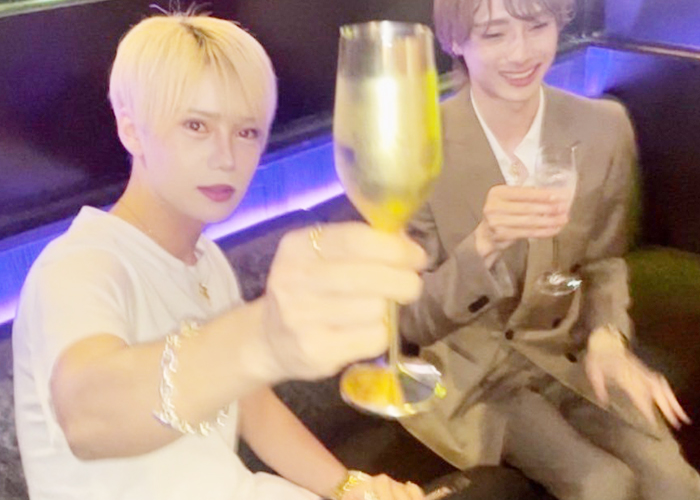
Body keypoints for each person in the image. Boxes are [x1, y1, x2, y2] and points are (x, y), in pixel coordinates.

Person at [12, 12, 428, 500]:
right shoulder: (78, 265)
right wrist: (263, 337)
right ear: (131, 129)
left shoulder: (207, 261)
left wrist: (349, 486)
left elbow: (252, 405)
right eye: (196, 125)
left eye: (247, 132)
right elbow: (88, 414)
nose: (227, 157)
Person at [397, 0, 700, 499]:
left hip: (569, 354)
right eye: (494, 34)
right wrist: (484, 245)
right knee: (602, 484)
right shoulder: (416, 147)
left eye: (536, 26)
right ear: (455, 41)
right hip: (474, 371)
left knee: (672, 479)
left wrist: (607, 335)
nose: (521, 52)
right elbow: (413, 322)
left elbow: (603, 261)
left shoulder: (603, 127)